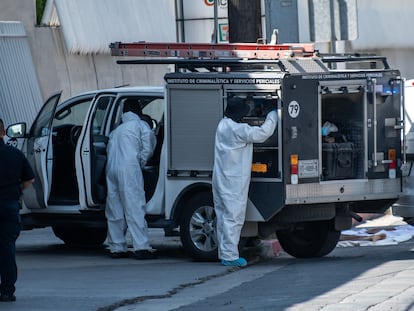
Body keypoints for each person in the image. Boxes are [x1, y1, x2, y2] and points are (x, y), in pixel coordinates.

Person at [212, 97, 277, 267]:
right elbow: (263, 133)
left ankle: (223, 252)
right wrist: (273, 114)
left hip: (220, 178)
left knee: (223, 216)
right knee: (233, 218)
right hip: (233, 181)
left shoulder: (223, 125)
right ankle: (230, 256)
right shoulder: (238, 129)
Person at [105, 99, 157, 259]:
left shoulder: (117, 130)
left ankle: (117, 247)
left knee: (115, 209)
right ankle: (141, 247)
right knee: (134, 206)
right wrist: (140, 163)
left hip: (111, 168)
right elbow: (148, 147)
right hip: (129, 168)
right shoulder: (140, 126)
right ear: (138, 110)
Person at [0, 118, 35, 302]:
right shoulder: (15, 154)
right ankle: (6, 291)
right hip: (9, 206)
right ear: (4, 133)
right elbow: (29, 179)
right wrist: (17, 191)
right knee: (7, 249)